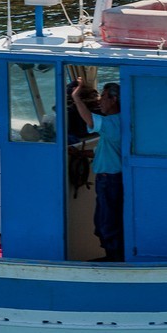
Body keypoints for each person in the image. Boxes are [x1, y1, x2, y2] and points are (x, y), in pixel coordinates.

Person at [72, 77, 123, 261]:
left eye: (103, 97)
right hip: (107, 180)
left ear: (114, 100)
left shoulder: (113, 124)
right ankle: (113, 256)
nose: (99, 101)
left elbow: (91, 121)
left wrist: (76, 98)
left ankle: (115, 260)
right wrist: (80, 154)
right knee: (102, 224)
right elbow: (105, 152)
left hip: (110, 181)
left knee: (108, 224)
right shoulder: (116, 124)